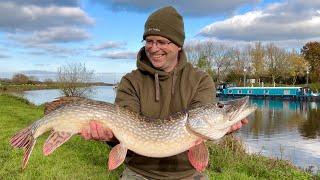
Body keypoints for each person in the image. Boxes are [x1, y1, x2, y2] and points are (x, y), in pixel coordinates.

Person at [81, 6, 248, 180]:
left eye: (161, 42)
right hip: (139, 173)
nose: (153, 48)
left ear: (178, 45)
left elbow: (202, 126)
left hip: (187, 174)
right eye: (149, 41)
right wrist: (108, 136)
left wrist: (221, 128)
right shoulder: (131, 81)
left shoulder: (200, 80)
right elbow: (122, 133)